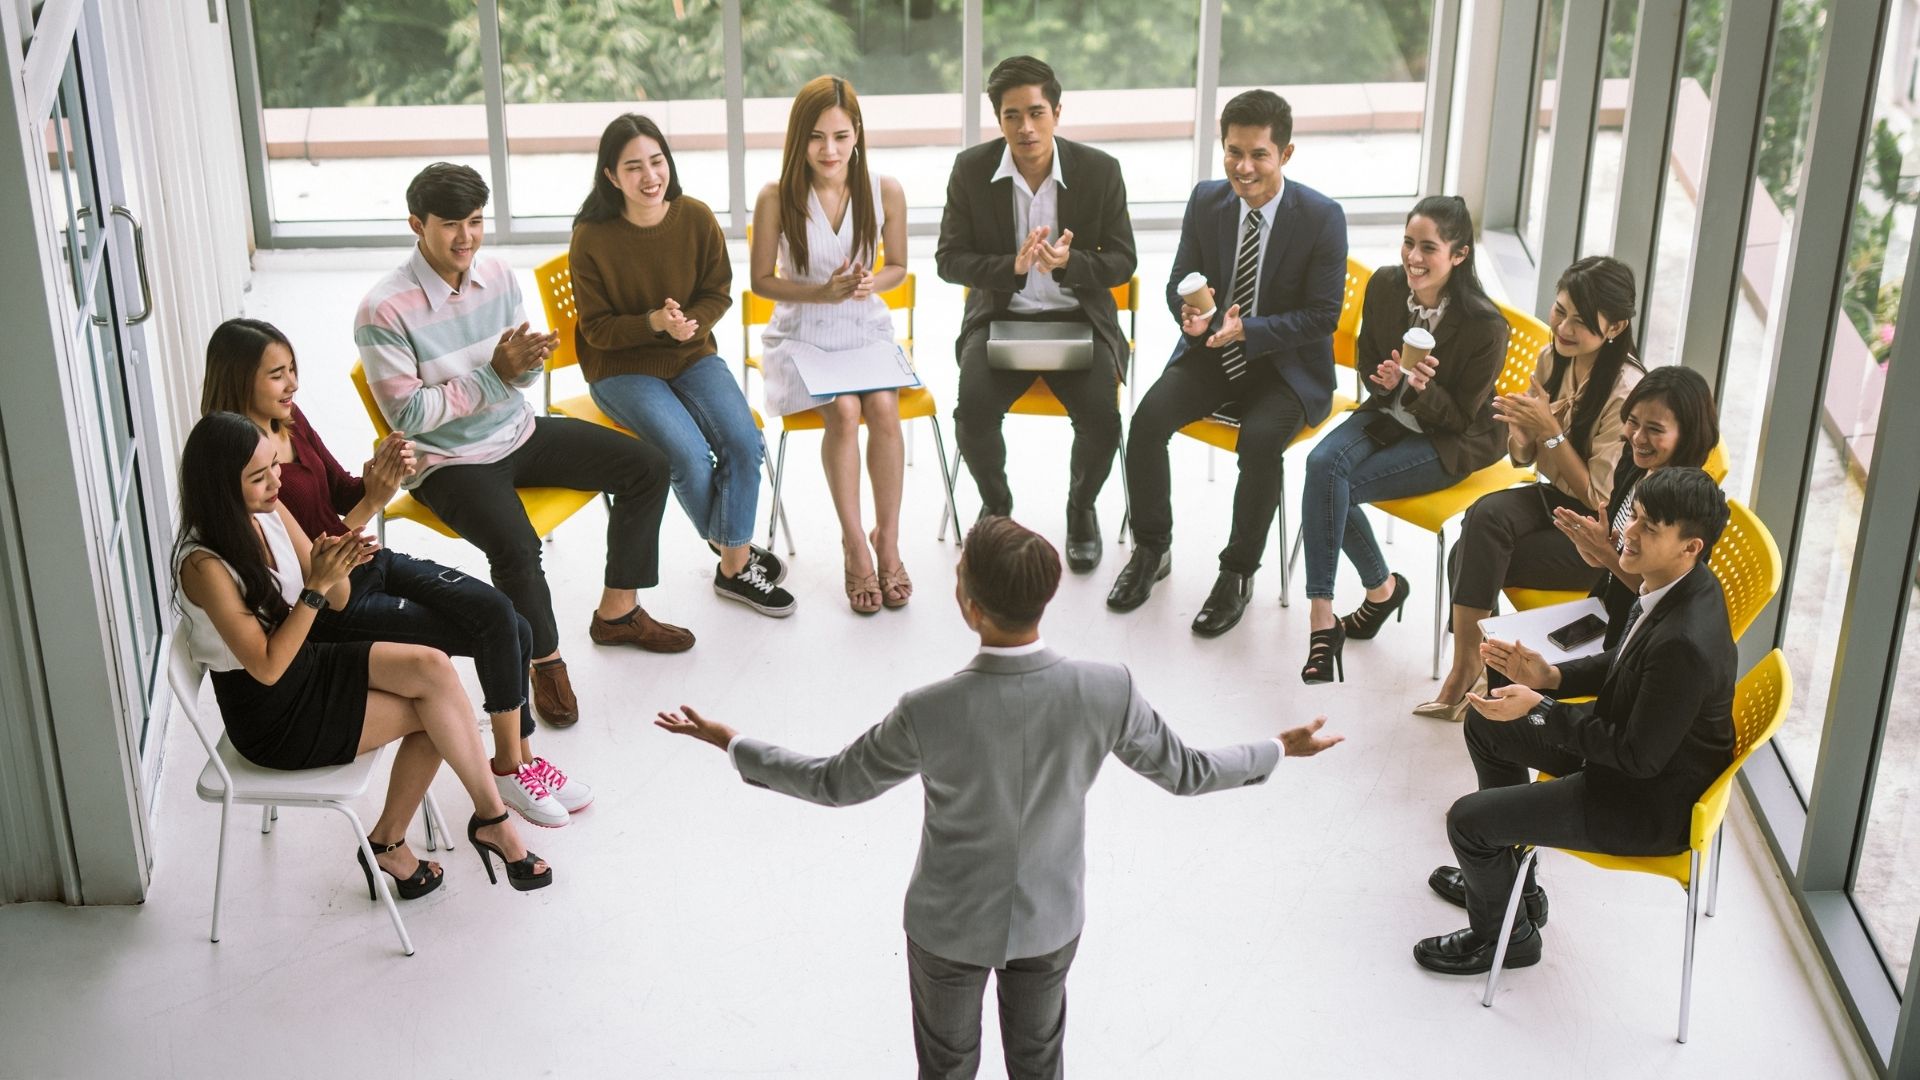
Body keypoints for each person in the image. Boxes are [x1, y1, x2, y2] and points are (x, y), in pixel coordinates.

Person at [655, 516, 1342, 1079]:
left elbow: (834, 783)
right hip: (1050, 922)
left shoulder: (929, 709)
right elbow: (1187, 771)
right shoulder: (1108, 688)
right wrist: (1278, 749)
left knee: (947, 1068)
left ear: (969, 606)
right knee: (1039, 1063)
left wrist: (732, 742)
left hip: (946, 928)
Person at [201, 317, 587, 827]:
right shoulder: (244, 466)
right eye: (277, 374)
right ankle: (510, 767)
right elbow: (308, 566)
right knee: (498, 625)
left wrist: (380, 471)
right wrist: (372, 505)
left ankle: (521, 761)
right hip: (336, 603)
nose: (292, 383)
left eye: (292, 368)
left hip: (364, 560)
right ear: (239, 378)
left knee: (508, 618)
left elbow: (338, 489)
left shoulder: (288, 422)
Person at [356, 162, 690, 731]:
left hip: (518, 430)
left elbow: (516, 378)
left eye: (476, 221)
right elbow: (408, 416)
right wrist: (496, 374)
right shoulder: (383, 310)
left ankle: (619, 613)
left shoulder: (498, 273)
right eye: (450, 225)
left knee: (649, 466)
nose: (467, 238)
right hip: (448, 461)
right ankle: (546, 658)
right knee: (516, 546)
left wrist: (525, 365)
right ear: (417, 224)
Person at [174, 412, 554, 897]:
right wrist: (314, 585)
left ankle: (484, 820)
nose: (276, 482)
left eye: (274, 467)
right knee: (434, 711)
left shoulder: (266, 511)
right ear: (219, 487)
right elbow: (268, 668)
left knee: (432, 667)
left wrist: (337, 561)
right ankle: (410, 837)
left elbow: (338, 596)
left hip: (306, 662)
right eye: (258, 477)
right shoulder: (204, 564)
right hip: (271, 714)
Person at [1414, 467, 1734, 975]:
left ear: (1689, 547)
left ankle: (1507, 937)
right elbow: (1627, 661)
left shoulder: (1685, 642)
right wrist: (1552, 676)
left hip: (1643, 801)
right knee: (1487, 725)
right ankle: (1510, 886)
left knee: (1468, 821)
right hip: (1629, 751)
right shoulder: (1675, 586)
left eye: (1650, 528)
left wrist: (1541, 709)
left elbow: (1637, 757)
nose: (1628, 532)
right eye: (1637, 517)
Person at [1111, 89, 1348, 637]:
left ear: (1285, 155)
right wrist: (1190, 317)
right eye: (1233, 152)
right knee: (1146, 423)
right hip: (1214, 349)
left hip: (1285, 368)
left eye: (1259, 154)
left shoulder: (1321, 217)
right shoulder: (1206, 200)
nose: (1244, 167)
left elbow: (1322, 316)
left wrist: (1252, 331)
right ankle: (1152, 549)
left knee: (1260, 442)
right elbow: (1179, 281)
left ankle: (1236, 574)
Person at [570, 114, 798, 618]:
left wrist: (690, 323)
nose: (650, 176)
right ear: (611, 176)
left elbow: (717, 290)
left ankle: (732, 557)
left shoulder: (694, 217)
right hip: (619, 368)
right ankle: (738, 564)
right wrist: (653, 322)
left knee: (744, 442)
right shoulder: (591, 236)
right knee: (689, 457)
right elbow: (596, 330)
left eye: (657, 161)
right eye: (634, 167)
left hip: (691, 353)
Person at [935, 55, 1138, 574]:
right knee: (972, 413)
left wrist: (1074, 264)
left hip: (1079, 322)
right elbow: (948, 260)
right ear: (998, 119)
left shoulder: (1099, 171)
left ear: (1057, 112)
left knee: (1101, 419)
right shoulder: (972, 170)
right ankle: (998, 506)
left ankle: (1081, 508)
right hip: (1004, 322)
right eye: (1011, 116)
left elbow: (1123, 261)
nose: (1025, 128)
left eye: (1036, 112)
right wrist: (1012, 266)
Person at [1420, 256, 1646, 720]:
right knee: (1483, 521)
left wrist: (1550, 432)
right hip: (1556, 503)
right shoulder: (1553, 359)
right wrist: (1522, 436)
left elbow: (1599, 499)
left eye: (1580, 321)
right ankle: (1472, 669)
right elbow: (1523, 459)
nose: (1562, 327)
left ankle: (1473, 673)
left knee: (1468, 554)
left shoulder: (1626, 391)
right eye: (1560, 311)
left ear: (1616, 326)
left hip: (1601, 536)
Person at [1297, 196, 1509, 684]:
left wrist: (1422, 391)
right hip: (1388, 414)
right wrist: (1387, 381)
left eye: (1428, 248)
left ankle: (1372, 597)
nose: (1413, 258)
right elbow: (1368, 362)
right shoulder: (1386, 286)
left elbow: (1459, 419)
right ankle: (1331, 610)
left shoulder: (1485, 327)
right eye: (1408, 243)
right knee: (1320, 465)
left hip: (1448, 440)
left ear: (1459, 255)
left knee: (1334, 487)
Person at [751, 76, 913, 614]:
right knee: (844, 412)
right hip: (802, 333)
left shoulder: (884, 189)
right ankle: (854, 545)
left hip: (863, 327)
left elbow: (897, 267)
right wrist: (820, 292)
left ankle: (887, 539)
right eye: (817, 138)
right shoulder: (777, 196)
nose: (830, 151)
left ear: (858, 134)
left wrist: (873, 283)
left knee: (884, 408)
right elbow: (761, 282)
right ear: (800, 139)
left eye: (841, 137)